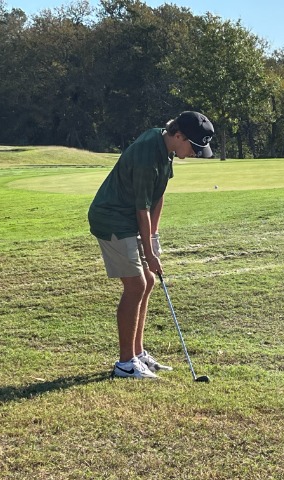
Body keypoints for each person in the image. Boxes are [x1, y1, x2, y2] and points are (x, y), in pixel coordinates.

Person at [88, 111, 214, 379]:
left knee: (148, 281)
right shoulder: (147, 154)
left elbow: (158, 195)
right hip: (112, 219)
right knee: (136, 285)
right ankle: (125, 363)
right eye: (194, 146)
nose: (195, 153)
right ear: (179, 135)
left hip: (129, 218)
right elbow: (142, 209)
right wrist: (148, 251)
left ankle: (138, 353)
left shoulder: (165, 146)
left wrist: (153, 240)